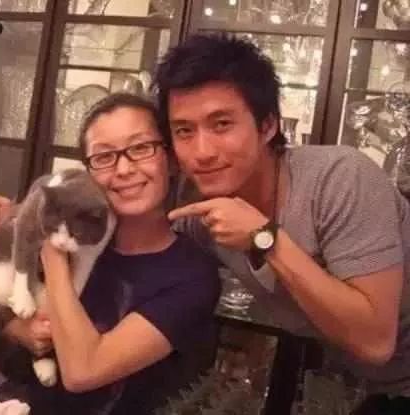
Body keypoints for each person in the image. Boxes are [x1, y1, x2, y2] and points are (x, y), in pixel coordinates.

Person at [154, 33, 410, 412]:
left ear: (268, 125)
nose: (202, 152)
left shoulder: (340, 179)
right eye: (184, 131)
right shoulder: (199, 212)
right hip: (364, 384)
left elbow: (375, 341)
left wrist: (264, 238)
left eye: (221, 124)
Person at [0, 93, 221, 415]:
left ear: (170, 160)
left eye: (141, 148)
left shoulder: (191, 275)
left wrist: (50, 249)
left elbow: (82, 372)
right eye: (104, 156)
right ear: (87, 172)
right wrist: (19, 327)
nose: (124, 169)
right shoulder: (73, 232)